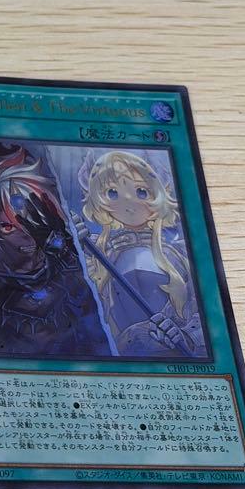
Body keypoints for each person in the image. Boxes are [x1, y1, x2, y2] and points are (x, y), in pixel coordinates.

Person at [0, 145, 113, 357]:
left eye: (33, 221)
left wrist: (71, 250)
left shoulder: (63, 255)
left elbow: (99, 319)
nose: (27, 235)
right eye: (8, 227)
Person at [81, 149, 205, 357]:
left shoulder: (182, 253)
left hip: (175, 355)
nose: (129, 204)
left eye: (141, 191)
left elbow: (205, 309)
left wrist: (187, 337)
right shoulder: (97, 253)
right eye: (112, 193)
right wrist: (71, 237)